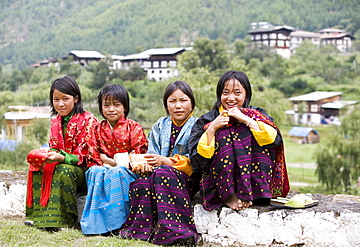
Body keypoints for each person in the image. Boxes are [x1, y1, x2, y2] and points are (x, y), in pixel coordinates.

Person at [189, 70, 290, 211]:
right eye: (225, 93)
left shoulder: (257, 114)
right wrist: (212, 128)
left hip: (256, 188)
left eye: (237, 93)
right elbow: (198, 161)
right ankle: (230, 195)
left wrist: (246, 119)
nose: (231, 98)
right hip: (219, 189)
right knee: (224, 133)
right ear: (219, 95)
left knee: (250, 132)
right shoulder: (206, 120)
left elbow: (275, 141)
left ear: (246, 94)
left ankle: (253, 192)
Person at [120, 81, 199, 245]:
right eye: (172, 101)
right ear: (166, 104)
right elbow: (152, 153)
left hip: (186, 179)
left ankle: (177, 232)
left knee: (162, 172)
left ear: (192, 103)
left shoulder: (198, 126)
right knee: (141, 182)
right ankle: (140, 232)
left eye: (183, 100)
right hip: (157, 175)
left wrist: (166, 162)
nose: (178, 106)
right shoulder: (160, 125)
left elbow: (196, 160)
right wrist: (146, 164)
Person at [25, 76, 98, 231]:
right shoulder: (55, 122)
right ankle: (38, 217)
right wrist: (47, 154)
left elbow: (88, 155)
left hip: (85, 169)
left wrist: (63, 157)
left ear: (76, 99)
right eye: (56, 99)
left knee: (63, 170)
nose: (60, 104)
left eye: (65, 99)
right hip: (64, 163)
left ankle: (64, 220)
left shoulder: (88, 120)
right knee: (37, 167)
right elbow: (54, 147)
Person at [80, 84, 148, 236]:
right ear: (101, 107)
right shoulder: (95, 129)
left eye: (116, 105)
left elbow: (138, 157)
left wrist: (110, 161)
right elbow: (92, 157)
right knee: (95, 171)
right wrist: (107, 162)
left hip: (125, 173)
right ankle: (96, 225)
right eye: (106, 105)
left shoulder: (134, 128)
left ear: (125, 107)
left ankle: (118, 224)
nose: (111, 109)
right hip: (102, 170)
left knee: (117, 172)